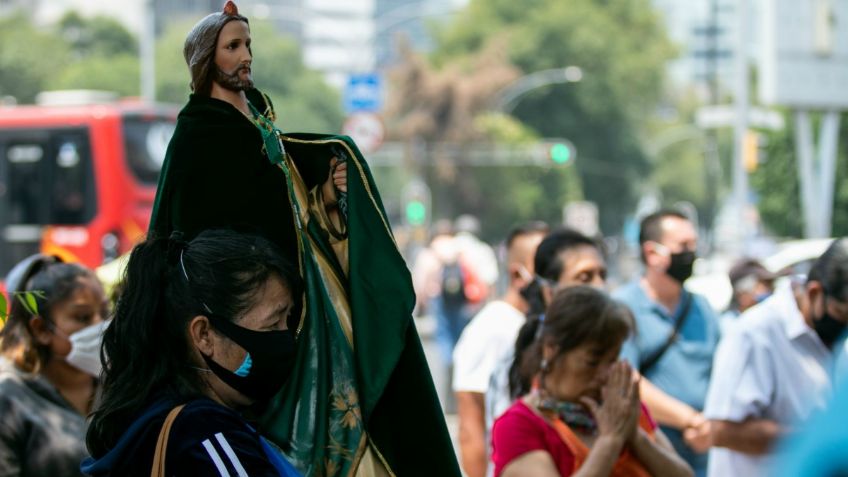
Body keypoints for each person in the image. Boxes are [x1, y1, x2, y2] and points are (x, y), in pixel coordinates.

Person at [149, 2, 459, 475]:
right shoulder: (200, 134)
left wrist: (327, 198)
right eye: (233, 46)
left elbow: (289, 206)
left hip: (307, 290)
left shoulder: (260, 121)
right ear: (207, 59)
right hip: (253, 309)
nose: (245, 55)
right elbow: (200, 232)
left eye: (247, 44)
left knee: (351, 377)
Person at [83, 229, 302, 476]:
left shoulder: (147, 417)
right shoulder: (205, 435)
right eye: (272, 324)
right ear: (204, 335)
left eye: (288, 320)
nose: (286, 336)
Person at [491, 286, 693, 477]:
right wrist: (610, 441)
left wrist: (634, 436)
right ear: (551, 349)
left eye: (612, 360)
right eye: (593, 361)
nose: (605, 374)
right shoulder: (518, 425)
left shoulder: (622, 410)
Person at [703, 238, 848, 477]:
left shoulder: (835, 339)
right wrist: (818, 440)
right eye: (841, 314)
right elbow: (721, 431)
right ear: (814, 293)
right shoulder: (756, 332)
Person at [613, 209, 720, 477]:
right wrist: (690, 419)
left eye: (694, 245)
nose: (691, 254)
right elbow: (626, 380)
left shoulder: (702, 308)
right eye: (683, 246)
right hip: (650, 456)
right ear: (652, 253)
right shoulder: (622, 308)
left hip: (704, 456)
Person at [453, 221, 549, 477]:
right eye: (545, 267)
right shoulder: (490, 329)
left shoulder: (543, 325)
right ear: (518, 274)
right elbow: (470, 427)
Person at [0, 255, 108, 476]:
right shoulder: (9, 397)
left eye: (105, 314)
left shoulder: (120, 386)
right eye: (83, 317)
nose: (100, 326)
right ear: (41, 329)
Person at [718, 259, 777, 334]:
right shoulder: (730, 326)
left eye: (771, 286)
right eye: (763, 285)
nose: (769, 291)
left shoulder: (769, 322)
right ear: (742, 294)